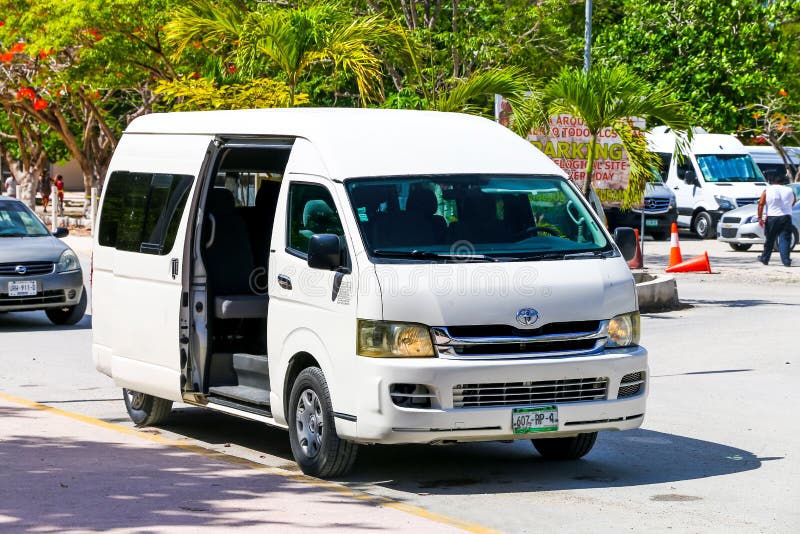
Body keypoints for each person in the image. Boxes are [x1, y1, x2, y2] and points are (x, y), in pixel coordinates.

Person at [757, 173, 797, 267]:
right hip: (786, 217)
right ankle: (786, 261)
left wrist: (760, 217)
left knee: (770, 239)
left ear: (772, 181)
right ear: (783, 181)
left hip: (772, 217)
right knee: (785, 240)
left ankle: (765, 258)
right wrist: (787, 208)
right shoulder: (789, 190)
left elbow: (761, 204)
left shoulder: (767, 190)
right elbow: (794, 201)